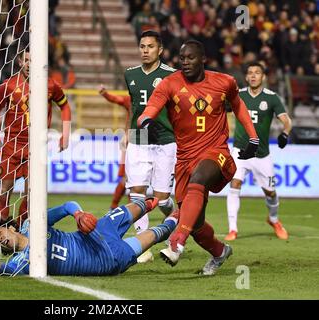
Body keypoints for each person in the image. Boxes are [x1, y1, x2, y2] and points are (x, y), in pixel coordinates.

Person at [138, 40, 259, 275]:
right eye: (182, 58)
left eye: (190, 58)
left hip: (217, 154)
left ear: (203, 59)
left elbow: (239, 106)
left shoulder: (225, 82)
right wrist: (146, 122)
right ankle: (219, 251)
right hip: (184, 159)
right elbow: (148, 111)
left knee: (200, 177)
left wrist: (253, 138)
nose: (185, 62)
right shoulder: (169, 84)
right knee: (195, 223)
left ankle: (176, 241)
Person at [0, 198, 179, 276]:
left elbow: (68, 206)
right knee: (160, 232)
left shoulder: (33, 224)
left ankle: (163, 201)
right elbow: (4, 270)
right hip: (106, 260)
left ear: (11, 227)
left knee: (143, 204)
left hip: (97, 231)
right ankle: (182, 212)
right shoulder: (23, 262)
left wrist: (78, 214)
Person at [0, 49, 72, 234]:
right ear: (19, 62)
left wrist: (65, 134)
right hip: (12, 145)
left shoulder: (51, 85)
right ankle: (0, 227)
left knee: (32, 193)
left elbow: (65, 106)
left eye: (33, 60)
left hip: (36, 147)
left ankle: (22, 229)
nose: (29, 64)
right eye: (26, 60)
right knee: (5, 189)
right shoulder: (8, 85)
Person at [124, 30, 177, 263]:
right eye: (142, 46)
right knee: (136, 192)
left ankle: (174, 222)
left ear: (160, 50)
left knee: (163, 199)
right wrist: (127, 131)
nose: (145, 50)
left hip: (165, 140)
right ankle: (142, 247)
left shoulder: (172, 76)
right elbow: (132, 105)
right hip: (138, 140)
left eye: (150, 47)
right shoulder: (130, 74)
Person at [225, 62, 292, 241]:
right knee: (235, 184)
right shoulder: (238, 96)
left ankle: (274, 219)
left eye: (257, 73)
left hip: (261, 155)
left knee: (270, 192)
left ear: (263, 77)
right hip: (240, 151)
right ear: (246, 77)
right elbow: (221, 109)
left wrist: (285, 133)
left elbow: (286, 120)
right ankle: (233, 229)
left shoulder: (272, 98)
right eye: (250, 73)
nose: (253, 76)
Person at [98, 84, 131, 210]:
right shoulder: (133, 99)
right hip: (133, 136)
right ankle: (118, 206)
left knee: (135, 179)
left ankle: (120, 206)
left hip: (153, 140)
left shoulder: (157, 98)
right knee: (128, 178)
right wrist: (105, 93)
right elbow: (117, 99)